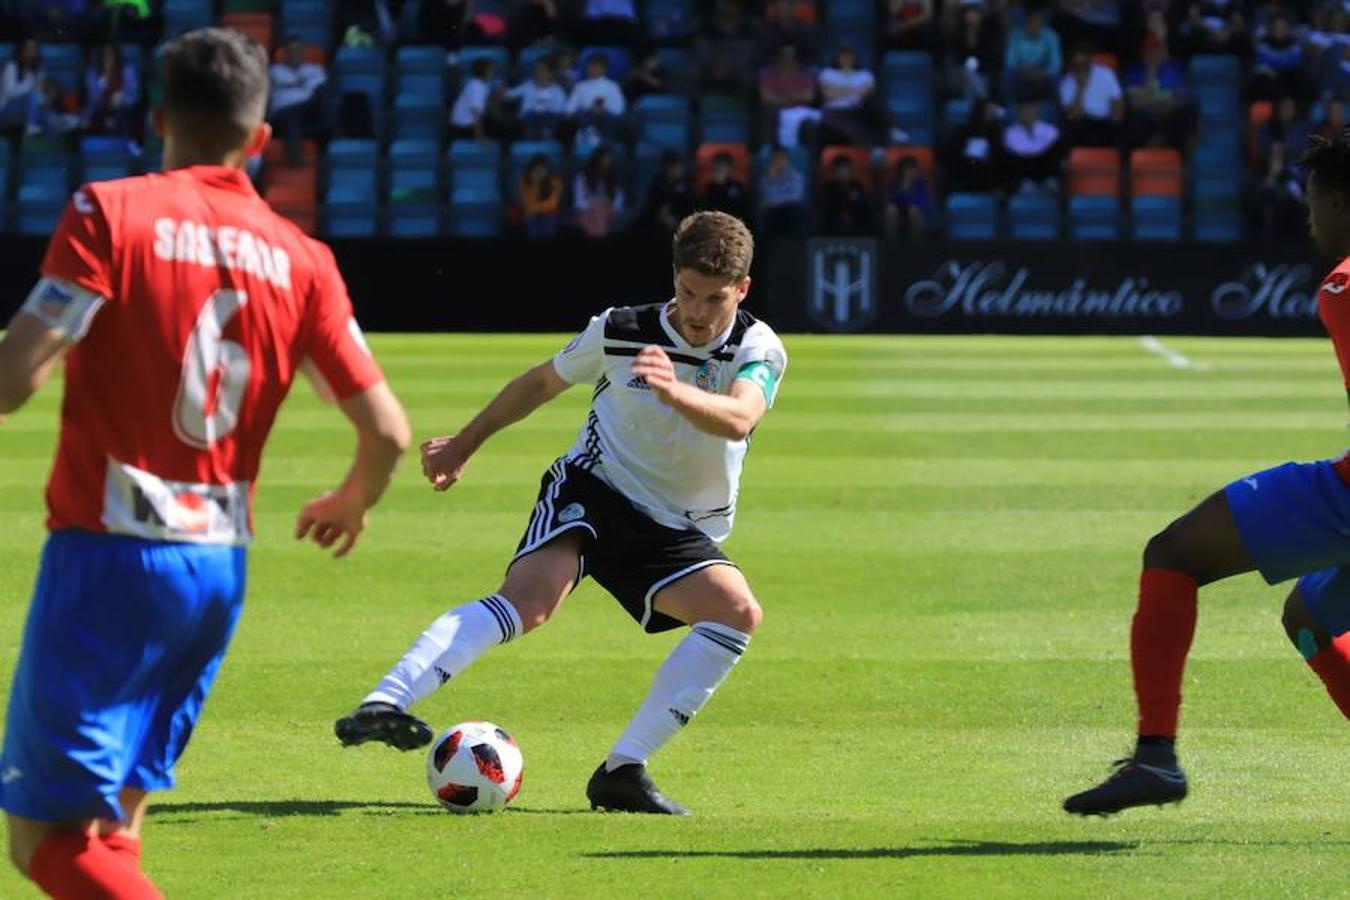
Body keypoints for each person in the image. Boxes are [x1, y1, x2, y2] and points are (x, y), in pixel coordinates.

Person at [0, 27, 411, 897]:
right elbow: (388, 433)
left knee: (44, 839)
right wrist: (351, 499)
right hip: (215, 569)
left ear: (158, 120)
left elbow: (12, 382)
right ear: (259, 138)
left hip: (109, 554)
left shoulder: (108, 214)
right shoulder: (305, 260)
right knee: (116, 826)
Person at [335, 211, 787, 817]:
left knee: (736, 614)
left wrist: (672, 389)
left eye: (714, 298)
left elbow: (740, 417)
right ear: (672, 279)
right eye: (686, 292)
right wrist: (465, 442)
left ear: (743, 290)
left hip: (676, 527)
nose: (699, 312)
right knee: (530, 603)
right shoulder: (621, 329)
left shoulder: (758, 347)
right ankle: (385, 701)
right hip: (594, 489)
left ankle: (622, 772)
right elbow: (541, 384)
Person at [1062, 128, 1350, 817]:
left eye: (1314, 202)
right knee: (1310, 612)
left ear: (1341, 201)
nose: (1310, 219)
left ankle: (1156, 756)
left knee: (1174, 553)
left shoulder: (1344, 285)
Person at [268, 37, 330, 162]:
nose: (295, 54)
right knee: (292, 116)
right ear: (284, 53)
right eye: (291, 51)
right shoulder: (274, 71)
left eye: (297, 50)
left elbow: (321, 90)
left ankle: (332, 149)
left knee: (326, 100)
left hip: (309, 112)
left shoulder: (315, 70)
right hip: (283, 115)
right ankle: (295, 157)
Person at [1059, 47, 1123, 147]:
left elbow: (1117, 101)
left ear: (1089, 61)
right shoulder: (1067, 82)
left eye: (1083, 62)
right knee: (1072, 126)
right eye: (1077, 64)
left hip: (1105, 122)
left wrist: (1115, 121)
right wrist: (1080, 88)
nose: (1081, 67)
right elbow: (1072, 115)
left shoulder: (1106, 74)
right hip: (1082, 122)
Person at [1002, 100, 1061, 193]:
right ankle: (1025, 185)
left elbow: (1048, 151)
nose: (1026, 113)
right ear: (1018, 113)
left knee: (1054, 155)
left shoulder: (1051, 130)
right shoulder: (1010, 132)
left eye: (1029, 110)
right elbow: (1020, 151)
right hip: (1022, 167)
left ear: (1036, 112)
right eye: (1023, 111)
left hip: (1044, 165)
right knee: (1012, 160)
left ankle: (1049, 183)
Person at [1004, 9, 1062, 102]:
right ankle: (1011, 108)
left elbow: (1056, 64)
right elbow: (1010, 61)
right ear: (1024, 22)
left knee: (1056, 78)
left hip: (1043, 70)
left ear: (1041, 23)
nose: (1033, 25)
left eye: (1036, 22)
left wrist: (1042, 72)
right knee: (1006, 76)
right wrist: (1024, 69)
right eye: (1029, 22)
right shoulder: (1015, 34)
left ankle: (1053, 109)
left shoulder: (1051, 35)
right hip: (1022, 69)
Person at [82, 43, 140, 136]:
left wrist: (122, 97)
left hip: (123, 108)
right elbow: (93, 98)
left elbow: (133, 96)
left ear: (116, 55)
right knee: (90, 121)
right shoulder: (93, 72)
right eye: (105, 56)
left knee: (124, 118)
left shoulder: (127, 70)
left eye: (111, 55)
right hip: (101, 109)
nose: (109, 59)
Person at [505, 58, 567, 140]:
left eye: (542, 70)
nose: (538, 72)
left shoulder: (558, 90)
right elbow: (509, 94)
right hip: (527, 120)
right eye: (536, 70)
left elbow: (559, 111)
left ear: (551, 73)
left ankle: (545, 136)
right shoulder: (528, 85)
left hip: (549, 121)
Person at [450, 57, 508, 143]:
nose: (493, 71)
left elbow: (489, 103)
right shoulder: (476, 87)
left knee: (503, 122)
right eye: (491, 69)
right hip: (463, 127)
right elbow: (476, 115)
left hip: (472, 122)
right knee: (502, 129)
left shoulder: (483, 84)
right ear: (483, 71)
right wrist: (480, 138)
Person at [572, 144, 624, 237]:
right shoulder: (583, 176)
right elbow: (579, 200)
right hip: (587, 208)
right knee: (595, 219)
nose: (606, 163)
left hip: (606, 209)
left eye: (609, 160)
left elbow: (618, 197)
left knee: (602, 217)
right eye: (604, 159)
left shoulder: (613, 176)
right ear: (596, 159)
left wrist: (612, 206)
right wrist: (593, 204)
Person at [639, 149, 694, 235]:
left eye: (677, 166)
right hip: (657, 224)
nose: (675, 170)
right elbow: (651, 205)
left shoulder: (687, 183)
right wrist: (661, 215)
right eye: (671, 167)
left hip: (681, 224)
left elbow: (690, 208)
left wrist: (676, 220)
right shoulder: (659, 182)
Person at [819, 153, 875, 235]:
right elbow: (828, 205)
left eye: (846, 169)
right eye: (840, 169)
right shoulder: (828, 186)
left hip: (855, 216)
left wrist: (855, 200)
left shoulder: (857, 185)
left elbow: (863, 204)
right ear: (835, 171)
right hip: (834, 217)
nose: (844, 172)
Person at [758, 145, 807, 237]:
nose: (779, 162)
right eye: (776, 159)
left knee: (794, 211)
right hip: (772, 210)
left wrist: (772, 201)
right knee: (765, 214)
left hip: (790, 209)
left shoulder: (796, 176)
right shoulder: (766, 176)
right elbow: (766, 195)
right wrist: (771, 180)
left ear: (787, 159)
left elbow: (795, 197)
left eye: (782, 158)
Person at [0, 38, 42, 145]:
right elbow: (9, 92)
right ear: (21, 50)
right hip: (6, 108)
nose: (31, 51)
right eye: (28, 48)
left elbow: (40, 97)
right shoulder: (11, 66)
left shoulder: (37, 70)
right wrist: (30, 85)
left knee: (48, 117)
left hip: (27, 109)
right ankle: (29, 126)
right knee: (30, 97)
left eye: (33, 48)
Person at [884, 154, 934, 237]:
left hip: (919, 210)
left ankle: (916, 244)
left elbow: (920, 202)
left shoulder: (920, 183)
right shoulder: (895, 183)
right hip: (900, 211)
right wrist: (905, 184)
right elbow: (891, 200)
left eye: (912, 168)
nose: (911, 171)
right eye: (907, 169)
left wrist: (905, 195)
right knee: (891, 210)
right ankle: (890, 242)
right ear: (902, 171)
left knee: (913, 210)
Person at [519, 152, 562, 238]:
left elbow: (553, 204)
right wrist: (535, 184)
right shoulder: (525, 181)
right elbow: (526, 203)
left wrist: (536, 207)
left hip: (549, 213)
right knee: (531, 220)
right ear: (531, 170)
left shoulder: (555, 181)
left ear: (547, 169)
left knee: (548, 219)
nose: (539, 172)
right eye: (536, 169)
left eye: (542, 169)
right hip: (532, 214)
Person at [700, 151, 750, 222]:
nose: (720, 169)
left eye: (723, 166)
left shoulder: (737, 187)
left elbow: (745, 212)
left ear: (730, 168)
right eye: (717, 165)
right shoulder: (709, 188)